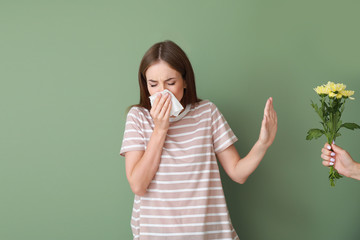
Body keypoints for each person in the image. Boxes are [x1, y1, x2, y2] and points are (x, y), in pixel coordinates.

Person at [120, 40, 278, 240]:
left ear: (185, 81)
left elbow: (238, 173)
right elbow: (138, 185)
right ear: (145, 85)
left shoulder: (207, 113)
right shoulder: (138, 117)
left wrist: (263, 143)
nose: (162, 92)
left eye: (170, 83)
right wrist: (160, 129)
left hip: (209, 234)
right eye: (153, 84)